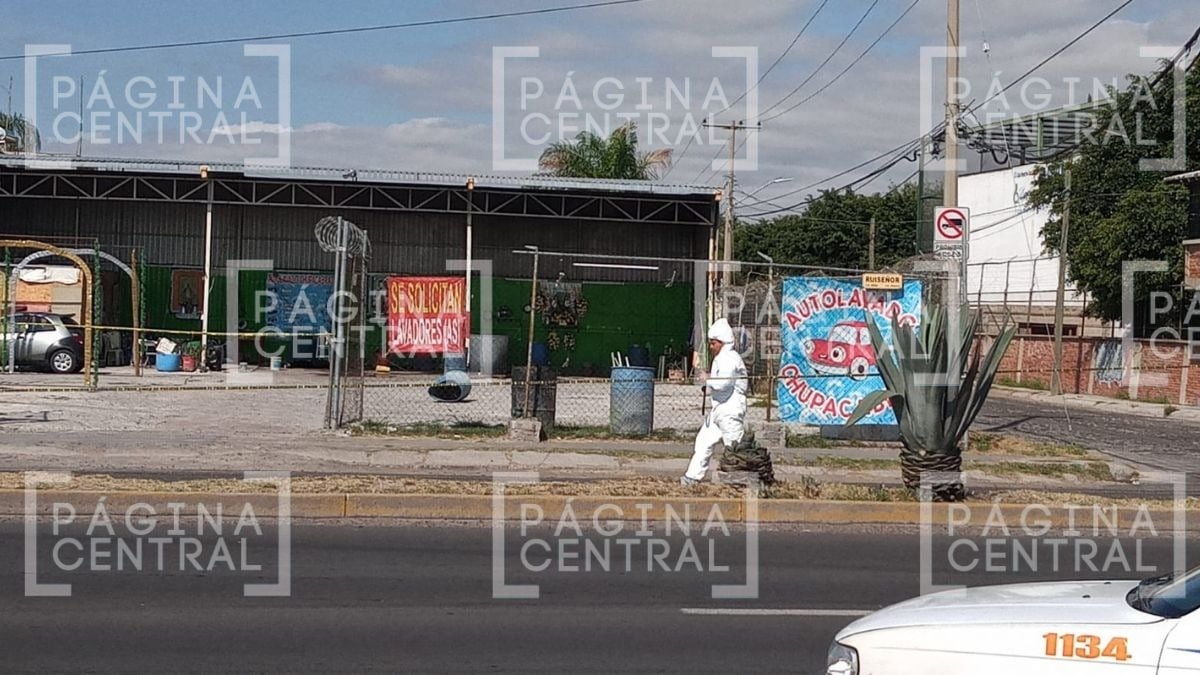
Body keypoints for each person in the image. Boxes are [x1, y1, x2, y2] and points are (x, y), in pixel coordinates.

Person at [682, 318, 748, 485]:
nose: (711, 347)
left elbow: (723, 383)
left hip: (729, 410)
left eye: (713, 343)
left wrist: (707, 379)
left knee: (733, 446)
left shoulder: (729, 359)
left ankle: (739, 480)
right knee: (703, 441)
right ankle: (692, 476)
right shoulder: (723, 358)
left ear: (722, 342)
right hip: (719, 410)